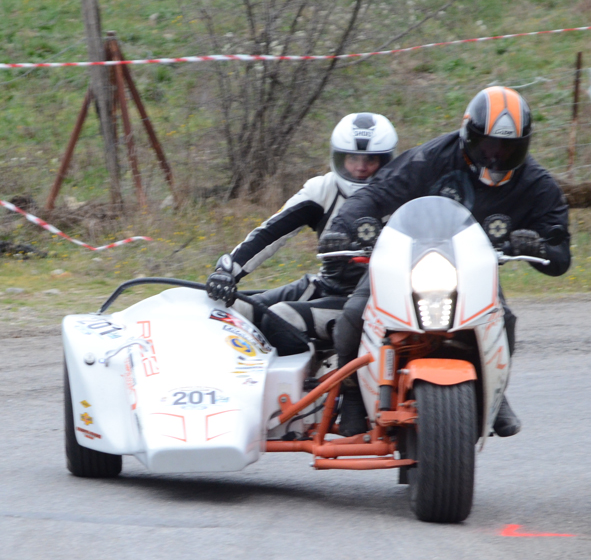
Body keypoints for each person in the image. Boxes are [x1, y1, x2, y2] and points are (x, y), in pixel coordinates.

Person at [328, 86, 571, 436]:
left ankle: (495, 391)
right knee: (354, 314)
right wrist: (343, 227)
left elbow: (561, 254)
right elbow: (376, 192)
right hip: (406, 258)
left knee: (504, 319)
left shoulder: (537, 184)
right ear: (468, 135)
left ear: (525, 145)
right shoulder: (431, 158)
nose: (496, 155)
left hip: (474, 270)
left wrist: (540, 247)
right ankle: (351, 394)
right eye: (487, 144)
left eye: (508, 148)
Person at [205, 113, 398, 354]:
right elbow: (269, 233)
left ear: (386, 161)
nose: (360, 167)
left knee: (281, 318)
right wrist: (227, 272)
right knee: (233, 313)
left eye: (370, 159)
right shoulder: (322, 189)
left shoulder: (403, 194)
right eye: (352, 158)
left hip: (374, 301)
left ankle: (325, 374)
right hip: (326, 285)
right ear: (338, 157)